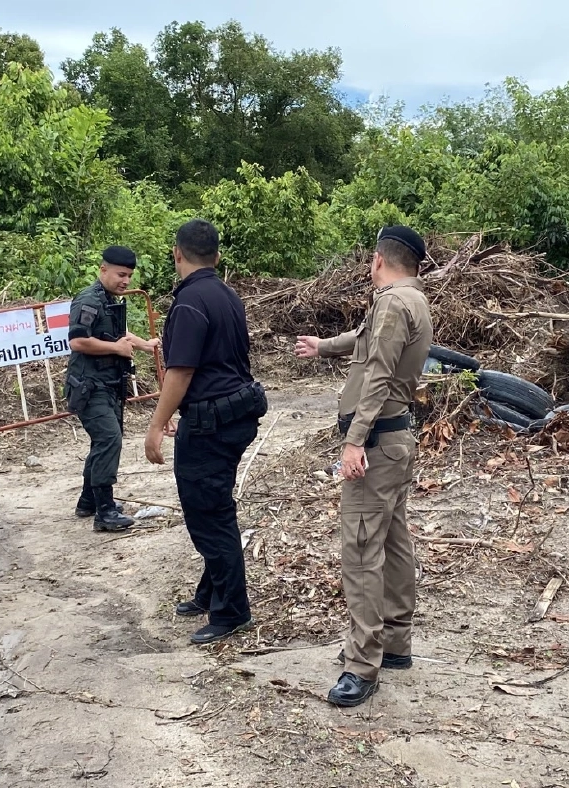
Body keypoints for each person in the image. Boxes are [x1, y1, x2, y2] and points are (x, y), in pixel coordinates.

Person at [294, 226, 433, 707]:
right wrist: (324, 346)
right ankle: (395, 643)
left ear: (378, 260)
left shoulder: (393, 302)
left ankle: (362, 664)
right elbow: (366, 342)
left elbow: (377, 371)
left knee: (359, 551)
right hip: (394, 441)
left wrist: (355, 441)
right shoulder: (409, 298)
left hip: (376, 444)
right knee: (394, 541)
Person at [144, 219, 267, 645]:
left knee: (209, 516)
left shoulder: (190, 302)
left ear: (177, 253)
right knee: (212, 507)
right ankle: (211, 591)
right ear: (216, 255)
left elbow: (181, 371)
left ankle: (232, 611)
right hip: (229, 415)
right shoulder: (226, 295)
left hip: (214, 424)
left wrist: (156, 425)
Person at [65, 245, 160, 532]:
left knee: (103, 441)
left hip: (107, 385)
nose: (126, 281)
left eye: (129, 275)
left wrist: (142, 344)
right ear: (103, 270)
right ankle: (104, 511)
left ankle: (88, 501)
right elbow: (78, 341)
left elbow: (116, 333)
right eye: (121, 274)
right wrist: (117, 349)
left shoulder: (109, 299)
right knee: (109, 440)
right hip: (89, 387)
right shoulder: (89, 300)